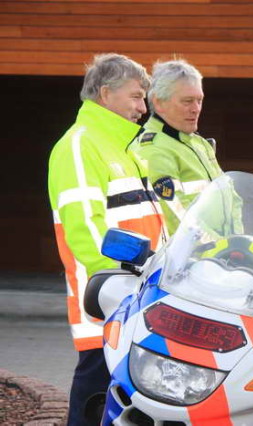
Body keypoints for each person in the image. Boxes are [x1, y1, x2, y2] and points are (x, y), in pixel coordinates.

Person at [48, 53, 167, 425]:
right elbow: (85, 231)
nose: (143, 109)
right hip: (109, 305)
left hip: (138, 301)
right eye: (136, 97)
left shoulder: (122, 148)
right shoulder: (80, 146)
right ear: (104, 94)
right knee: (96, 402)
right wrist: (120, 290)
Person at [129, 59, 223, 235]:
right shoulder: (153, 150)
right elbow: (176, 215)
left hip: (223, 249)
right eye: (187, 101)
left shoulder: (199, 143)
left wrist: (237, 239)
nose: (196, 109)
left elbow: (231, 198)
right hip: (195, 250)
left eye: (199, 100)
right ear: (158, 103)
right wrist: (219, 246)